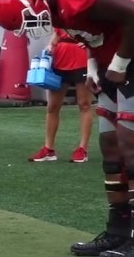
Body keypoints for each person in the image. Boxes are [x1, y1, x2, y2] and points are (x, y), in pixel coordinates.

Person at [0, 0, 134, 257]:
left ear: (33, 0)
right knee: (110, 146)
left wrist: (120, 63)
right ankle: (119, 230)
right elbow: (93, 34)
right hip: (115, 59)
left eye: (27, 19)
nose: (30, 27)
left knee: (133, 148)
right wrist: (93, 67)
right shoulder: (55, 4)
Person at [28, 30, 92, 163]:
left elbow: (99, 33)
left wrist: (91, 44)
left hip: (82, 59)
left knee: (84, 104)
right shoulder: (61, 13)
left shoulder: (90, 11)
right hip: (60, 60)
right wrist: (50, 45)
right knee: (52, 106)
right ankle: (48, 149)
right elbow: (57, 33)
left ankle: (82, 149)